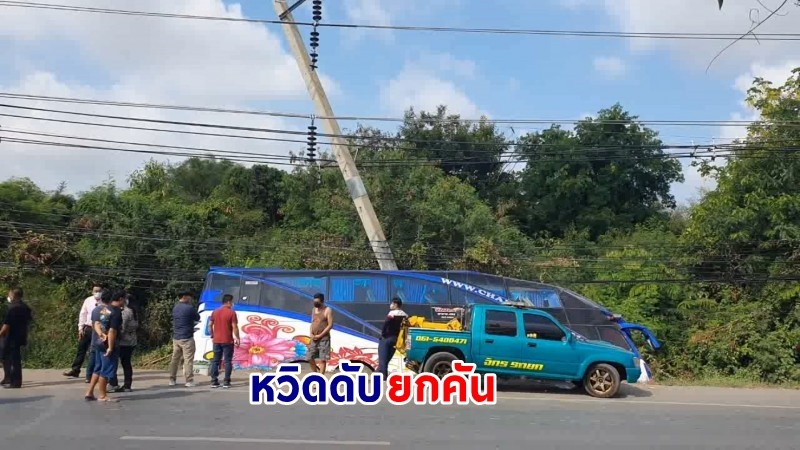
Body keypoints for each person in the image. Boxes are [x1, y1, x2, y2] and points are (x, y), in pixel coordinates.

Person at [84, 290, 124, 402]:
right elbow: (112, 331)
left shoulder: (104, 310)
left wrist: (100, 334)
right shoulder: (115, 312)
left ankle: (90, 392)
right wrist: (110, 347)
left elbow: (96, 324)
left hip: (98, 342)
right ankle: (102, 395)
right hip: (107, 344)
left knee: (98, 368)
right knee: (105, 370)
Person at [64, 283, 103, 381]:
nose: (97, 293)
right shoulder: (88, 300)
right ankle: (75, 369)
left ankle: (92, 373)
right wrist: (80, 328)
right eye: (95, 291)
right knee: (81, 349)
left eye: (99, 291)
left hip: (98, 329)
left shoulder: (104, 302)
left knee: (94, 351)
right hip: (88, 327)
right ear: (92, 292)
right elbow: (83, 314)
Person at [0, 288, 33, 389]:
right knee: (12, 358)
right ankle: (10, 378)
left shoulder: (13, 308)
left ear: (14, 295)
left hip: (11, 337)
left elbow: (7, 325)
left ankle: (15, 382)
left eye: (10, 294)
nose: (9, 296)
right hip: (21, 336)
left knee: (13, 360)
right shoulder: (25, 307)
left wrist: (1, 334)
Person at [168, 291, 200, 387]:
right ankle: (189, 380)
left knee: (175, 359)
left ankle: (172, 379)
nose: (190, 299)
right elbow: (197, 317)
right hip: (187, 337)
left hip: (176, 337)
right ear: (185, 297)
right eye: (189, 297)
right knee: (188, 360)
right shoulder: (189, 308)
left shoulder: (175, 308)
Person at [209, 294, 240, 389]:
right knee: (227, 361)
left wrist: (212, 335)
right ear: (229, 302)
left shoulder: (215, 312)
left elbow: (210, 325)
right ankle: (226, 382)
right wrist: (238, 338)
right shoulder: (231, 313)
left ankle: (214, 381)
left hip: (216, 340)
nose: (233, 304)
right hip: (227, 340)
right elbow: (234, 326)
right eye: (232, 302)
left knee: (215, 361)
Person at [109, 293, 139, 392]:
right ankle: (127, 385)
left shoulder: (126, 312)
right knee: (127, 363)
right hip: (132, 341)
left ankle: (114, 383)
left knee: (114, 362)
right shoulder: (134, 311)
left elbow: (122, 327)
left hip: (123, 342)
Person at [378, 297, 407, 377]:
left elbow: (386, 325)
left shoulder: (392, 313)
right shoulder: (405, 315)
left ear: (395, 304)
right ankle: (380, 374)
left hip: (387, 338)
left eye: (391, 303)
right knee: (387, 359)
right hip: (396, 340)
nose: (390, 305)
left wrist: (383, 334)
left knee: (382, 359)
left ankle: (382, 377)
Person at [307, 293, 333, 374]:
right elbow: (312, 322)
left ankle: (320, 379)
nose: (316, 304)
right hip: (314, 338)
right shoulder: (314, 309)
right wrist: (311, 333)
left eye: (317, 302)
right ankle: (316, 374)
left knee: (322, 359)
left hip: (324, 339)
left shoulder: (328, 310)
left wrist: (320, 335)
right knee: (309, 357)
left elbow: (330, 325)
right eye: (314, 302)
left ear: (322, 301)